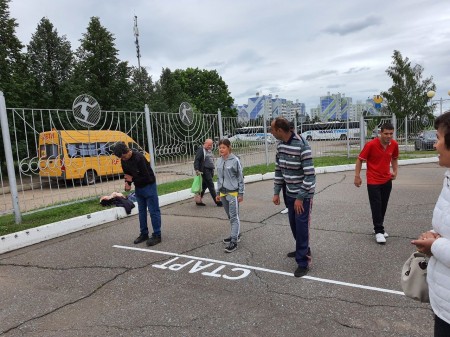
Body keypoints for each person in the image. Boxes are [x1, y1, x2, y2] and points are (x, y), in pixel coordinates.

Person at [412, 111, 450, 337]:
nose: (435, 145)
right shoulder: (448, 177)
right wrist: (433, 235)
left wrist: (433, 246)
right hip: (443, 302)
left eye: (438, 138)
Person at [271, 117, 316, 277]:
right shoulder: (280, 145)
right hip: (288, 192)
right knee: (293, 224)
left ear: (280, 131)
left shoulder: (302, 145)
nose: (271, 132)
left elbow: (310, 175)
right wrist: (276, 192)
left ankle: (303, 261)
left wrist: (300, 197)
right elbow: (278, 170)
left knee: (302, 227)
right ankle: (301, 248)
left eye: (272, 129)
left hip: (303, 195)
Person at [354, 123, 398, 244]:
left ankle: (379, 227)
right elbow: (360, 160)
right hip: (373, 181)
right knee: (376, 205)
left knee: (383, 205)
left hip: (387, 180)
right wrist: (357, 176)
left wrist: (395, 171)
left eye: (391, 133)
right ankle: (379, 231)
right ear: (380, 133)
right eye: (386, 133)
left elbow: (394, 158)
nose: (389, 136)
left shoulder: (394, 144)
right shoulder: (371, 145)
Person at [113, 142, 162, 246]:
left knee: (153, 211)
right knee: (141, 212)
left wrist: (133, 179)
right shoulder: (123, 160)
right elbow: (127, 174)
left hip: (149, 186)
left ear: (127, 151)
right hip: (139, 188)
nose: (123, 159)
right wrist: (128, 183)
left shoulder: (139, 158)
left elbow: (147, 177)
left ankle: (157, 235)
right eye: (121, 158)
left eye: (123, 156)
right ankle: (144, 233)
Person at [215, 139, 245, 253]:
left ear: (229, 148)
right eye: (220, 147)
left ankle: (234, 241)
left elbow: (240, 178)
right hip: (223, 193)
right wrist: (218, 193)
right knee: (230, 216)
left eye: (223, 147)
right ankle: (235, 233)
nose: (221, 149)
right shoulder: (219, 161)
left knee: (234, 216)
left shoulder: (235, 160)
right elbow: (218, 178)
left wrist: (241, 193)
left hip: (233, 193)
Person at [193, 138, 222, 207]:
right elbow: (196, 160)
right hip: (205, 170)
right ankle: (218, 202)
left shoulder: (209, 150)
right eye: (208, 145)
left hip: (210, 170)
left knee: (204, 186)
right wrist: (197, 169)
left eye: (211, 145)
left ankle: (198, 200)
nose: (210, 146)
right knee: (211, 185)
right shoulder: (201, 150)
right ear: (204, 143)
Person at [280, 122, 296, 215]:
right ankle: (288, 206)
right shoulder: (282, 143)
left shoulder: (298, 141)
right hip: (284, 171)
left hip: (293, 173)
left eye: (292, 129)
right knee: (285, 189)